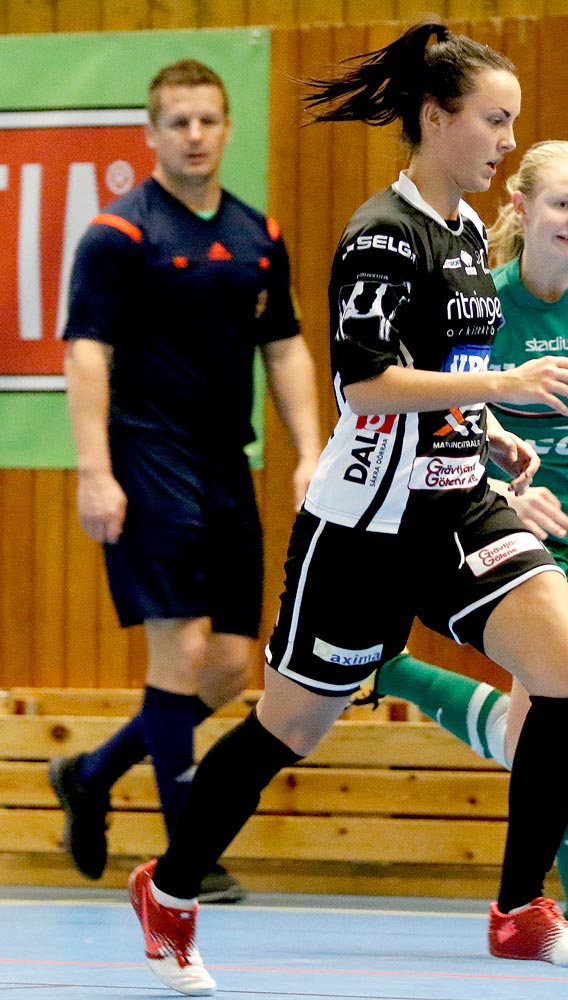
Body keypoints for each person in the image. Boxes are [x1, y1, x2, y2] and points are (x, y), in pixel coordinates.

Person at [127, 23, 568, 996]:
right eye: (492, 121)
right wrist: (511, 380)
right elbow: (363, 383)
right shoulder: (381, 236)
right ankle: (170, 887)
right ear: (434, 120)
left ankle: (520, 911)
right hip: (360, 531)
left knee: (566, 675)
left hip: (455, 507)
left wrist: (485, 430)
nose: (504, 143)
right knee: (287, 729)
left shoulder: (472, 231)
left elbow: (450, 375)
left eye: (511, 123)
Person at [363, 139, 568, 960]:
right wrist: (508, 488)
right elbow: (440, 410)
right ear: (521, 207)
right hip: (478, 516)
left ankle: (393, 673)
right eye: (561, 205)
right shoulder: (482, 300)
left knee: (546, 727)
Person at [51, 59, 322, 907]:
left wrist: (311, 450)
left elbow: (284, 348)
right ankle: (185, 861)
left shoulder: (257, 235)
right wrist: (95, 472)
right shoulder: (119, 235)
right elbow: (85, 354)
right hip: (145, 458)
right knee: (182, 651)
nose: (195, 136)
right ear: (152, 133)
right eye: (178, 122)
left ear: (227, 127)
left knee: (232, 669)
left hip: (223, 465)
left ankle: (91, 775)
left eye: (208, 120)